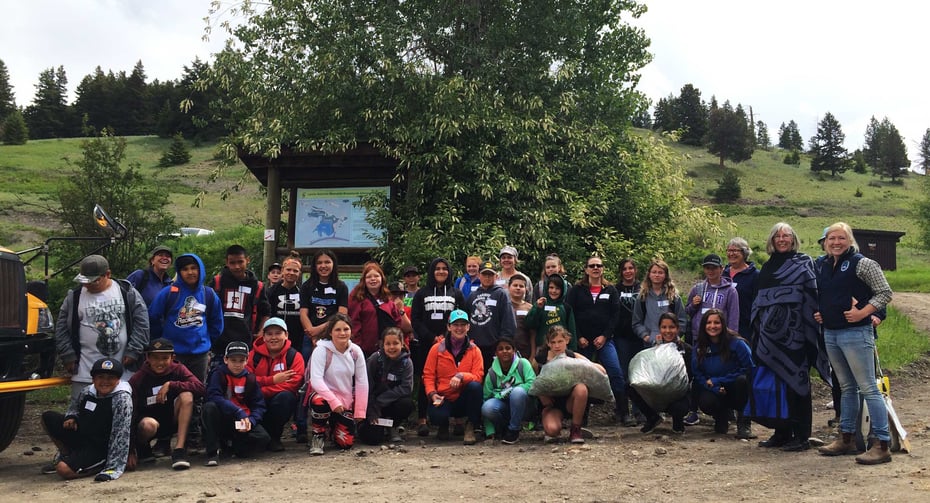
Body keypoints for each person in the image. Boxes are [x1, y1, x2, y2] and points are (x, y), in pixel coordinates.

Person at [814, 222, 894, 465]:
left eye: (841, 238)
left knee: (868, 388)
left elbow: (884, 292)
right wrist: (823, 313)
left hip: (856, 333)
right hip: (832, 332)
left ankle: (881, 443)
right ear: (825, 242)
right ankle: (846, 438)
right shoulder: (824, 265)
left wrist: (863, 313)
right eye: (831, 239)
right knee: (847, 388)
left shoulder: (863, 264)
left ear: (850, 241)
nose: (836, 242)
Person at [751, 222, 828, 452]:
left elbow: (812, 296)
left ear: (793, 239)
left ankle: (802, 436)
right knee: (777, 387)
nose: (782, 239)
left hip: (796, 335)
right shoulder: (767, 267)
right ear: (772, 241)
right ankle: (781, 432)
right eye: (777, 236)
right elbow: (759, 302)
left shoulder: (804, 263)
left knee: (798, 385)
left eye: (786, 236)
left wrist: (808, 329)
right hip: (769, 338)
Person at [148, 252, 224, 450]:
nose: (190, 272)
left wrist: (206, 341)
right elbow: (153, 317)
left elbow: (217, 322)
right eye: (185, 269)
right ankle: (164, 439)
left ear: (200, 269)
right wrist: (161, 343)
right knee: (167, 395)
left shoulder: (208, 294)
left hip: (199, 354)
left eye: (193, 268)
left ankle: (192, 436)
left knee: (196, 394)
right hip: (174, 354)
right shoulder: (169, 292)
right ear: (179, 272)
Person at [55, 254, 150, 401]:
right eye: (85, 281)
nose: (88, 285)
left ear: (107, 274)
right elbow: (61, 327)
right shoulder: (74, 296)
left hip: (123, 370)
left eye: (94, 281)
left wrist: (134, 351)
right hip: (85, 371)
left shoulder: (126, 292)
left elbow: (142, 322)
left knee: (123, 409)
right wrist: (68, 355)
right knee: (82, 410)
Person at [41, 357, 132, 481]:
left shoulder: (122, 399)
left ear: (117, 380)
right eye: (100, 377)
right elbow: (74, 409)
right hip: (83, 436)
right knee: (48, 417)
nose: (105, 381)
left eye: (110, 378)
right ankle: (67, 454)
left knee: (63, 469)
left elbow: (121, 433)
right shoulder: (87, 392)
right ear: (93, 379)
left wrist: (114, 465)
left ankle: (99, 465)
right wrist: (71, 417)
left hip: (100, 446)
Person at [565, 256, 628, 424]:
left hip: (604, 340)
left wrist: (605, 335)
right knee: (582, 377)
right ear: (586, 269)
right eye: (591, 265)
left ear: (603, 269)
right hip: (583, 341)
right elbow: (569, 313)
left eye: (598, 265)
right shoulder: (576, 290)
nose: (595, 268)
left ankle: (623, 412)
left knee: (615, 372)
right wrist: (578, 336)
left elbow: (615, 315)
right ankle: (581, 417)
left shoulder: (610, 290)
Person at [128, 338, 205, 470]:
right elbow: (130, 412)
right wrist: (129, 450)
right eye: (155, 358)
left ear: (172, 357)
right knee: (148, 425)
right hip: (149, 424)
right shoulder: (138, 378)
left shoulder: (179, 369)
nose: (160, 362)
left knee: (187, 396)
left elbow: (200, 387)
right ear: (148, 358)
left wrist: (172, 385)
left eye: (164, 358)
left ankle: (179, 449)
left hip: (172, 419)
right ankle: (143, 447)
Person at [409, 257, 466, 437]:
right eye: (437, 268)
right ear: (432, 271)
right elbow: (416, 319)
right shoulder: (421, 293)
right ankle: (422, 420)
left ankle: (456, 419)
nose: (441, 271)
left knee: (452, 377)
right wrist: (432, 337)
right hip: (427, 344)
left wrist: (448, 337)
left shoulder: (456, 293)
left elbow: (463, 316)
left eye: (444, 268)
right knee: (427, 377)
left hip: (452, 343)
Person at [306, 313, 369, 455]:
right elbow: (316, 380)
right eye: (338, 330)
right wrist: (333, 401)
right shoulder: (321, 350)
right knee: (320, 402)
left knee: (345, 444)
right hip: (324, 396)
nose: (342, 333)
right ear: (330, 332)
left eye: (346, 329)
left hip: (345, 400)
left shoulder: (355, 351)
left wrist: (360, 410)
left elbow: (362, 381)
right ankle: (318, 435)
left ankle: (332, 428)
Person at [202, 341, 270, 466]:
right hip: (224, 417)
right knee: (209, 408)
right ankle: (212, 452)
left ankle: (235, 447)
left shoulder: (251, 379)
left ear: (246, 360)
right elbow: (213, 396)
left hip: (242, 421)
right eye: (233, 360)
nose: (237, 364)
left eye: (241, 360)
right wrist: (237, 411)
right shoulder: (218, 374)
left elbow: (259, 406)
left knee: (263, 438)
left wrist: (252, 421)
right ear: (226, 360)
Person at [534, 326, 605, 444]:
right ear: (548, 343)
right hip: (552, 403)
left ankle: (576, 429)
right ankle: (552, 424)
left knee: (581, 388)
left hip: (570, 401)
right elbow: (532, 380)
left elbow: (601, 370)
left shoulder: (572, 356)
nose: (557, 346)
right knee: (552, 430)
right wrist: (542, 396)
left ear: (567, 340)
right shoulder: (540, 359)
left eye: (560, 341)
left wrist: (584, 365)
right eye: (553, 342)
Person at [423, 310, 485, 444]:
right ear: (449, 326)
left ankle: (470, 426)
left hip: (464, 397)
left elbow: (478, 376)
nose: (459, 328)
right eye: (455, 324)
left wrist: (462, 375)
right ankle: (443, 425)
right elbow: (428, 375)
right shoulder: (436, 349)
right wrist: (432, 394)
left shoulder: (475, 350)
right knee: (436, 416)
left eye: (463, 324)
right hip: (444, 397)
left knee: (475, 387)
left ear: (468, 327)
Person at [691, 309, 753, 436]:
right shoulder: (699, 346)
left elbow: (749, 368)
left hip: (735, 386)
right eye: (709, 323)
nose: (712, 326)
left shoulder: (737, 343)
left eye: (716, 323)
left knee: (743, 381)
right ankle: (721, 416)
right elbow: (697, 373)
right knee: (705, 401)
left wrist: (720, 380)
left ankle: (744, 422)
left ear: (723, 324)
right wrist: (714, 387)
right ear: (704, 325)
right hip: (714, 387)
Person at [248, 317, 305, 452]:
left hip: (277, 401)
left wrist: (261, 388)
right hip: (255, 400)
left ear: (286, 335)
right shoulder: (252, 356)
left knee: (286, 397)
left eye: (278, 333)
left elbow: (292, 384)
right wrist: (272, 380)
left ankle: (274, 437)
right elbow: (247, 381)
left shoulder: (294, 356)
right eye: (269, 333)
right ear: (263, 336)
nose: (273, 337)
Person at [630, 313, 691, 434]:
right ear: (659, 329)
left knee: (679, 406)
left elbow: (691, 376)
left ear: (678, 328)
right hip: (656, 391)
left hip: (678, 394)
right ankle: (652, 417)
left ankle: (678, 421)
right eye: (664, 327)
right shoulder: (654, 348)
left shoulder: (687, 349)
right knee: (630, 386)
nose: (668, 331)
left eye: (672, 327)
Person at [211, 244, 271, 353]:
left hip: (246, 343)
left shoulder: (257, 286)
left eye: (240, 262)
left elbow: (266, 312)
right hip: (218, 343)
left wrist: (262, 331)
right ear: (226, 262)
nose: (237, 266)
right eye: (232, 263)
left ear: (247, 260)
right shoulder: (217, 282)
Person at [360, 327, 414, 445]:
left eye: (395, 343)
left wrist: (381, 401)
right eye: (388, 344)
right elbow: (365, 386)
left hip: (390, 403)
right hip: (373, 405)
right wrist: (371, 410)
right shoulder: (375, 359)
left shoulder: (407, 362)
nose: (391, 347)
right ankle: (369, 425)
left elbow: (406, 388)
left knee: (406, 404)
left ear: (402, 344)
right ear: (382, 345)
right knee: (372, 439)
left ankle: (393, 426)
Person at [348, 261, 412, 357]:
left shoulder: (388, 301)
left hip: (387, 351)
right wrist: (358, 346)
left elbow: (397, 324)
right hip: (364, 351)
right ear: (364, 280)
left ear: (382, 278)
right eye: (369, 277)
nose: (373, 279)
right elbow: (353, 323)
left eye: (376, 276)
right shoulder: (357, 298)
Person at [481, 337, 536, 444]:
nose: (504, 351)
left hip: (525, 406)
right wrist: (489, 430)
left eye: (508, 348)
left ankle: (514, 431)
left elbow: (532, 384)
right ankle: (504, 428)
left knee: (517, 393)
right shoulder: (492, 373)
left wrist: (509, 391)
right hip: (504, 407)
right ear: (496, 353)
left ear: (514, 350)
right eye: (500, 349)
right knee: (487, 407)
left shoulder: (523, 364)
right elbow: (486, 398)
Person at [298, 249, 349, 362]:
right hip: (309, 335)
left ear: (333, 264)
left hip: (333, 334)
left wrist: (318, 330)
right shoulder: (307, 286)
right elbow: (303, 313)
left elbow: (341, 314)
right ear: (314, 266)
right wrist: (312, 333)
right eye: (319, 263)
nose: (323, 266)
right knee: (307, 363)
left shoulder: (341, 287)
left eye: (327, 262)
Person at [465, 260, 516, 371]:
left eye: (490, 275)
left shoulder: (501, 294)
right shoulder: (472, 295)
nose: (487, 277)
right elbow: (466, 320)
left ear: (496, 276)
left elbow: (508, 321)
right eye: (484, 274)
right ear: (479, 275)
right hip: (474, 347)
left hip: (494, 347)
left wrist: (503, 345)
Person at [614, 258, 645, 425]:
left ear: (635, 270)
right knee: (623, 374)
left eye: (631, 268)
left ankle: (639, 410)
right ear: (621, 271)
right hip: (621, 336)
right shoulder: (615, 289)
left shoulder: (643, 288)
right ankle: (622, 410)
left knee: (638, 375)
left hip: (640, 336)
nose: (628, 271)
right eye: (624, 269)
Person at [685, 253, 739, 344]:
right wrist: (693, 305)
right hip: (699, 336)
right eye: (707, 268)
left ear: (721, 269)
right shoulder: (697, 288)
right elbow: (688, 312)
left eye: (714, 268)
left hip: (721, 337)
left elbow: (734, 317)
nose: (710, 271)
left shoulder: (730, 291)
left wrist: (731, 337)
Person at [526, 273, 577, 357]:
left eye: (557, 288)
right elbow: (529, 324)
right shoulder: (540, 304)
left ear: (563, 290)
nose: (554, 291)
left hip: (562, 348)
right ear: (546, 288)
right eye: (551, 287)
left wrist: (572, 349)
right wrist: (537, 309)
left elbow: (572, 330)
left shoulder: (566, 308)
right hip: (542, 348)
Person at [266, 252, 305, 353]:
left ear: (299, 273)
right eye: (288, 269)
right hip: (274, 339)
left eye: (295, 271)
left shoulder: (303, 293)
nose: (291, 273)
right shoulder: (271, 291)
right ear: (282, 271)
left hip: (296, 340)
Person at [723, 238, 759, 340]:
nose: (731, 254)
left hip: (745, 328)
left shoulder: (755, 275)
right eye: (729, 251)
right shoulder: (722, 273)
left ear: (744, 253)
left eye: (735, 251)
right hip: (721, 325)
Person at [507, 275, 534, 359]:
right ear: (508, 287)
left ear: (526, 289)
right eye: (515, 285)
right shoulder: (503, 306)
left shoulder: (530, 308)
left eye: (521, 286)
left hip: (525, 351)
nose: (518, 288)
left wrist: (532, 356)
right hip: (506, 351)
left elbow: (533, 334)